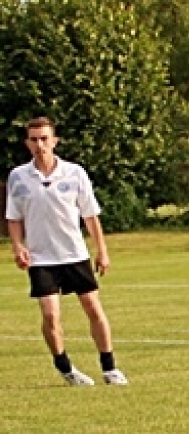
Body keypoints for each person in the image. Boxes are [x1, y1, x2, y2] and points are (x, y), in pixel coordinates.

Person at [4, 116, 129, 386]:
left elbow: (91, 216)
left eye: (45, 139)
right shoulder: (19, 177)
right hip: (41, 258)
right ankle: (66, 368)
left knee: (94, 309)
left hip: (74, 254)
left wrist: (102, 251)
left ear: (55, 141)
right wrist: (17, 246)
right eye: (34, 140)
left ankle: (109, 368)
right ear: (27, 143)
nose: (40, 145)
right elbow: (13, 217)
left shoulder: (75, 173)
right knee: (50, 314)